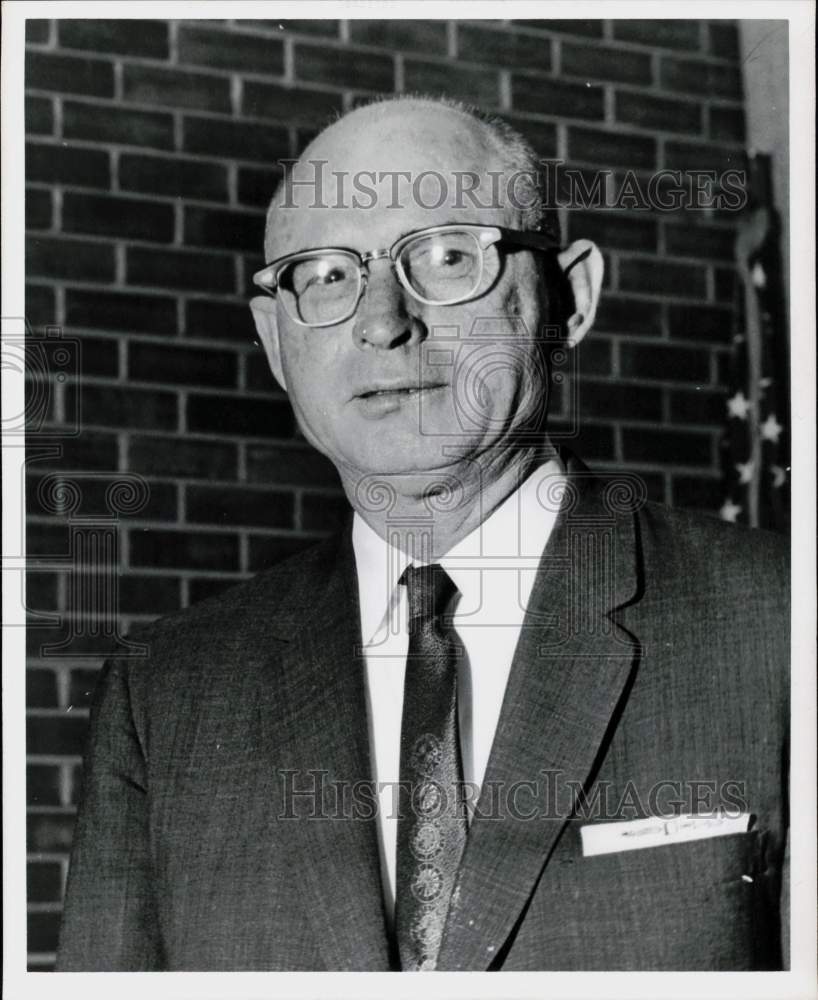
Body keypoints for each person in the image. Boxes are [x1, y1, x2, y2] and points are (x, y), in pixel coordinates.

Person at [57, 96, 789, 972]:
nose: (381, 319)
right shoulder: (167, 695)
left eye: (445, 256)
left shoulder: (781, 621)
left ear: (570, 296)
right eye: (325, 275)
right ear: (274, 341)